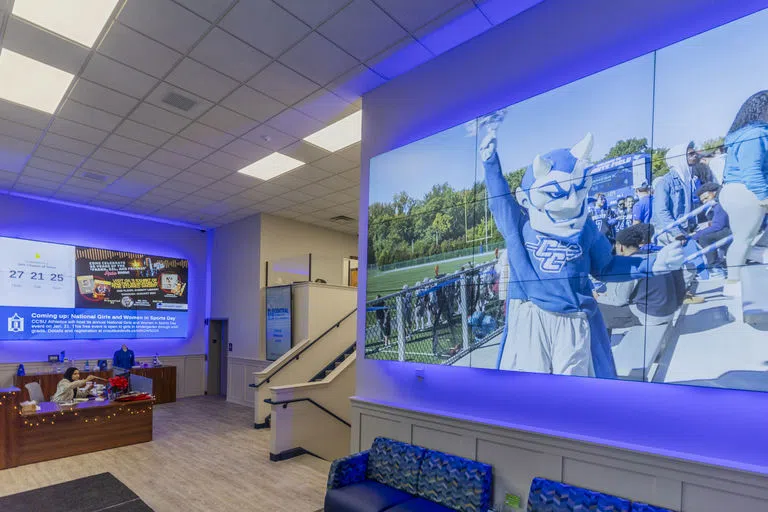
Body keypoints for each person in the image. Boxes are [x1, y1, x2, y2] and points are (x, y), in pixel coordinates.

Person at [480, 120, 683, 378]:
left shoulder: (585, 228)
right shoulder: (521, 225)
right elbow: (499, 200)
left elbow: (606, 267)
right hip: (532, 318)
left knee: (572, 395)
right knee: (531, 395)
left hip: (574, 320)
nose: (572, 201)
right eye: (559, 195)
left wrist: (651, 264)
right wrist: (490, 163)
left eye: (578, 191)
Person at [719, 91, 768, 296]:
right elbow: (752, 170)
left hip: (738, 191)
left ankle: (757, 255)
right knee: (743, 239)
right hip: (747, 192)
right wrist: (764, 196)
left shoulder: (746, 133)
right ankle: (733, 283)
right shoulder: (756, 134)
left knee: (745, 238)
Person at [596, 224, 687, 331]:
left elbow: (619, 301)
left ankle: (605, 347)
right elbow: (680, 287)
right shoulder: (655, 256)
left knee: (595, 310)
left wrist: (598, 297)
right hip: (670, 311)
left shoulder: (630, 264)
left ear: (620, 246)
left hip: (649, 316)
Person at [691, 183, 731, 270]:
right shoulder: (719, 200)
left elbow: (717, 226)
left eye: (706, 198)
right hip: (731, 228)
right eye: (703, 201)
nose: (705, 201)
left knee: (705, 237)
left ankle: (714, 266)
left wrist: (696, 235)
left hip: (732, 231)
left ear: (714, 192)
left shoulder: (719, 203)